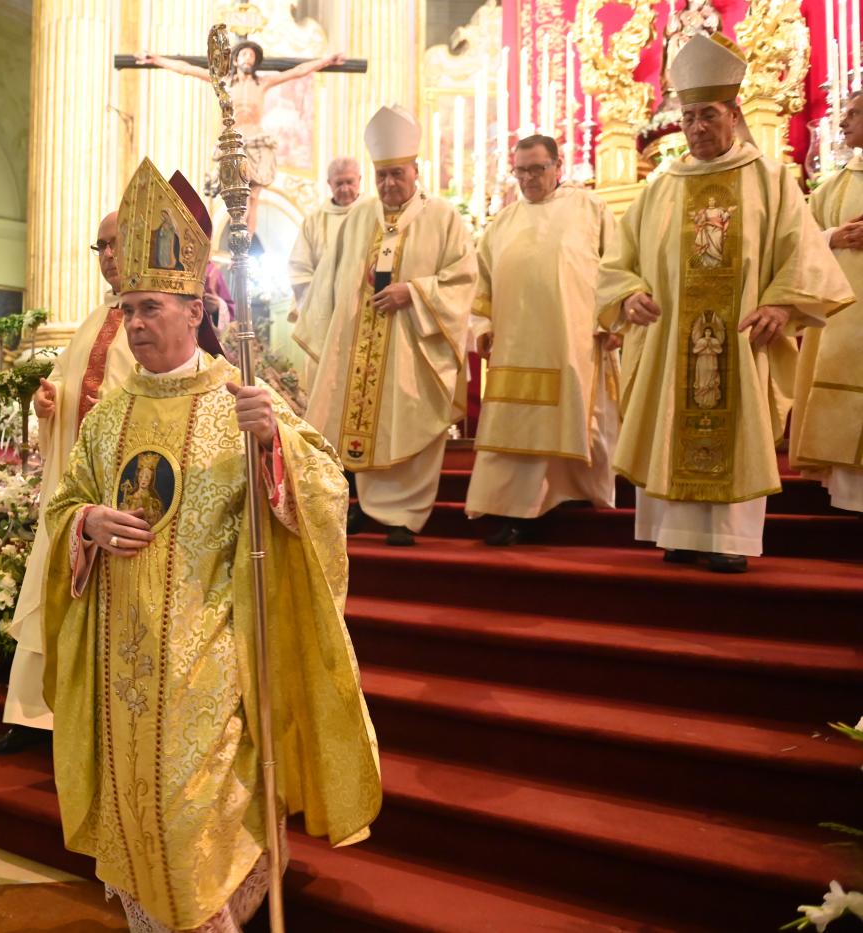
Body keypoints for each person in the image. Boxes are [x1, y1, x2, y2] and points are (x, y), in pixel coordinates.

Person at [42, 157, 379, 933]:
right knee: (138, 808)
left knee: (194, 816)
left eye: (149, 307)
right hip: (121, 665)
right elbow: (62, 507)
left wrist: (276, 453)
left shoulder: (244, 401)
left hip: (214, 660)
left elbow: (328, 496)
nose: (132, 324)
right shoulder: (106, 417)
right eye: (126, 308)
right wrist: (86, 523)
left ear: (193, 309)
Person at [595, 33, 852, 572]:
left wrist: (781, 306)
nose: (696, 127)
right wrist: (629, 295)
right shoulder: (661, 185)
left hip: (738, 337)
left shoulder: (770, 179)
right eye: (688, 116)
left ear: (734, 114)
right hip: (669, 343)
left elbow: (801, 254)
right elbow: (619, 262)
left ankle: (729, 541)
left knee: (733, 426)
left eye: (707, 114)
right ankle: (678, 533)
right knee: (671, 419)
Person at [0, 210, 137, 756]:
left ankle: (86, 727)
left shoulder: (152, 320)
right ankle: (30, 717)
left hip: (118, 500)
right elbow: (65, 389)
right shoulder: (94, 321)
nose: (109, 256)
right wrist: (46, 406)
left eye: (116, 244)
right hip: (70, 495)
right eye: (101, 247)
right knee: (46, 594)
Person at [297, 104, 476, 546]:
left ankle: (403, 517)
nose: (389, 184)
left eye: (397, 174)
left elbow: (463, 277)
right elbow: (328, 278)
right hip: (359, 339)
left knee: (407, 422)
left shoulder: (444, 218)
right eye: (382, 176)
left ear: (416, 171)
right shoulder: (359, 216)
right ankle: (362, 508)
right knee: (353, 419)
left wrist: (413, 292)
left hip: (413, 344)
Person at [465, 135, 621, 544]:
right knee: (519, 426)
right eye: (521, 171)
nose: (529, 178)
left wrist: (614, 322)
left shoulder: (590, 208)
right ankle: (516, 510)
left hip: (573, 340)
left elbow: (618, 267)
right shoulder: (503, 222)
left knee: (572, 419)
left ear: (558, 165)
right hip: (515, 344)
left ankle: (574, 493)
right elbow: (482, 283)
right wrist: (482, 328)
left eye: (538, 169)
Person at [137, 41, 344, 232]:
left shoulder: (262, 83)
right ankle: (230, 233)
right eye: (244, 54)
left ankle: (248, 241)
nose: (249, 58)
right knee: (236, 194)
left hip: (256, 139)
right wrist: (156, 59)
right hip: (234, 140)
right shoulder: (223, 81)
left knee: (255, 196)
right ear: (235, 59)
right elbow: (187, 70)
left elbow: (297, 72)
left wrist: (326, 60)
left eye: (252, 56)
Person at [794, 90, 863, 514]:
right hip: (845, 320)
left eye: (854, 114)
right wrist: (833, 238)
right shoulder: (832, 187)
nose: (842, 122)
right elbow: (798, 247)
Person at [289, 156, 362, 311]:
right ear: (329, 183)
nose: (345, 188)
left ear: (359, 180)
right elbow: (300, 269)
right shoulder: (313, 222)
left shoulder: (373, 212)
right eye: (339, 183)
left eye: (350, 182)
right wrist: (320, 303)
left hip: (363, 306)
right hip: (325, 307)